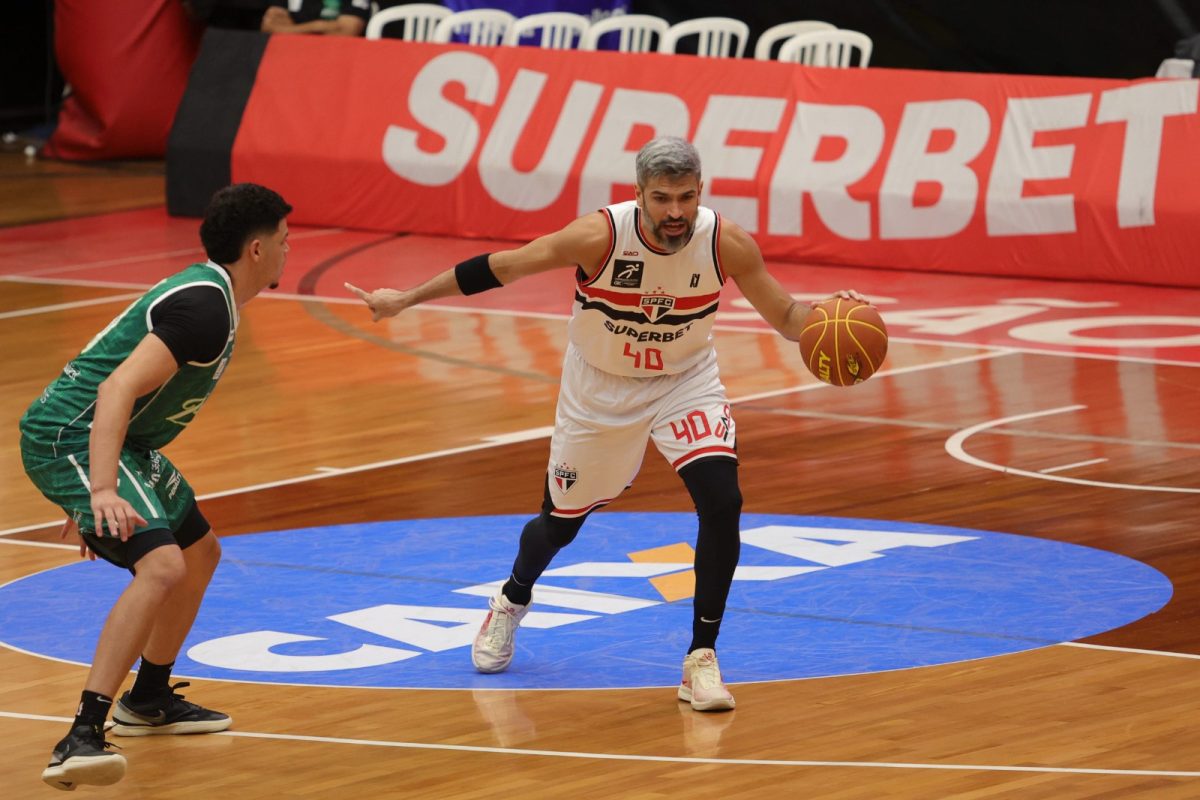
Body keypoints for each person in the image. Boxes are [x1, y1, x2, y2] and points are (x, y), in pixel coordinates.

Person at [346, 136, 863, 713]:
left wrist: (828, 316)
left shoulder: (726, 242)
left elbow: (787, 316)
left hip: (684, 382)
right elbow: (503, 267)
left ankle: (701, 658)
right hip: (600, 390)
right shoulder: (598, 237)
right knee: (559, 525)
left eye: (686, 197)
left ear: (701, 192)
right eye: (662, 198)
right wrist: (405, 298)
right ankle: (511, 599)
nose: (675, 211)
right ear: (638, 194)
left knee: (723, 500)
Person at [19, 183, 293, 790]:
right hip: (70, 436)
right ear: (256, 249)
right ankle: (81, 735)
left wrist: (93, 484)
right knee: (163, 565)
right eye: (283, 240)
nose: (287, 250)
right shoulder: (206, 308)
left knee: (200, 552)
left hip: (117, 443)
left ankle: (147, 698)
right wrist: (98, 490)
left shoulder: (217, 296)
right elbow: (115, 388)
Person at [260, 0, 371, 36]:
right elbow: (269, 27)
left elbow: (348, 30)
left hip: (338, 56)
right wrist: (321, 27)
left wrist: (291, 29)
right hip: (292, 55)